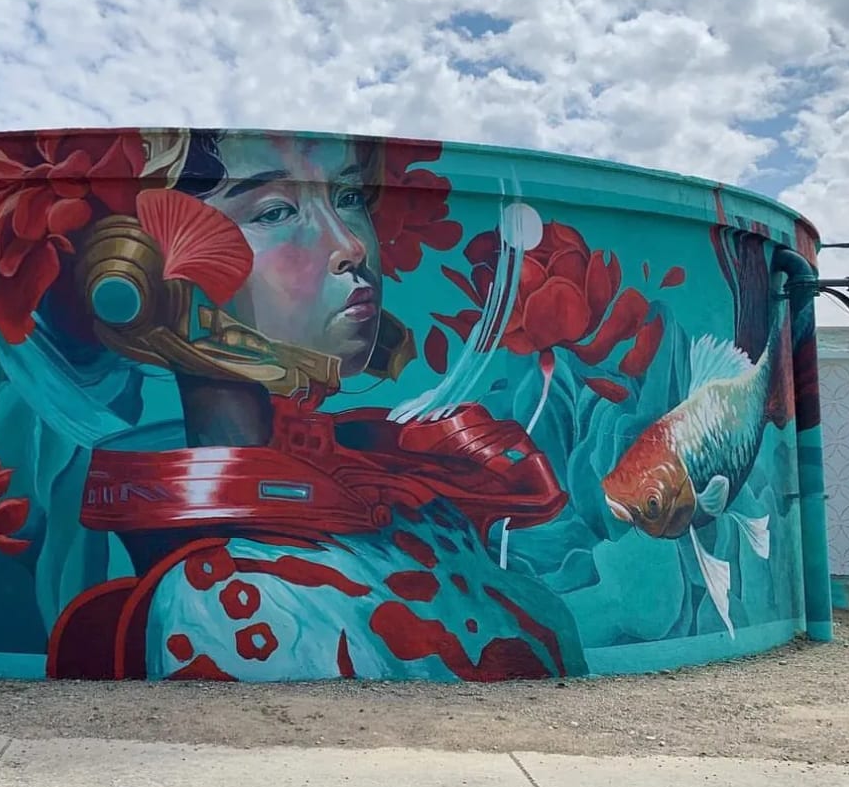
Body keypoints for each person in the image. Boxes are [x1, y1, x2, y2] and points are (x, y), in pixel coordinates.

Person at [44, 130, 587, 682]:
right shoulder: (221, 597)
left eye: (350, 198)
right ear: (150, 273)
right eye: (275, 211)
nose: (351, 246)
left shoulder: (410, 494)